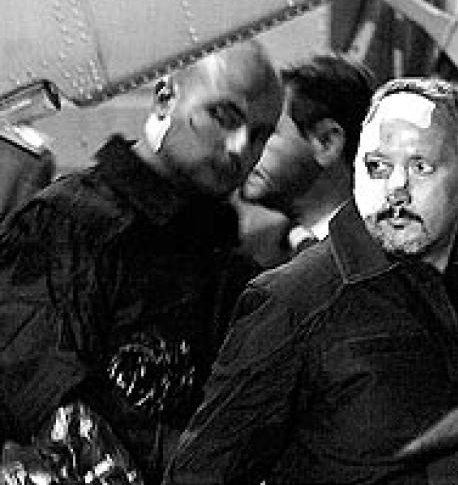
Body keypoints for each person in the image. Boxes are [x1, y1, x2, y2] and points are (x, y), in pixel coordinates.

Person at [163, 78, 458, 484]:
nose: (396, 188)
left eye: (421, 167)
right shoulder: (292, 301)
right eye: (378, 167)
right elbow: (201, 475)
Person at [0, 40, 282, 484]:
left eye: (261, 134)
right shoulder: (67, 224)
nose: (240, 148)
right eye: (224, 117)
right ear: (165, 96)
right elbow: (40, 398)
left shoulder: (228, 262)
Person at [234, 53, 375, 267]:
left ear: (327, 143)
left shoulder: (376, 262)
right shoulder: (258, 254)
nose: (241, 147)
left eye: (266, 132)